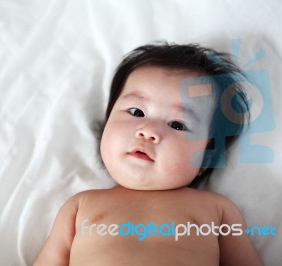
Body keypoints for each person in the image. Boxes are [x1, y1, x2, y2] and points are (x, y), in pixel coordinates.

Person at [34, 42, 264, 265]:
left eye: (177, 124)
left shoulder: (217, 210)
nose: (149, 131)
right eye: (136, 111)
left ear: (205, 158)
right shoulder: (80, 206)